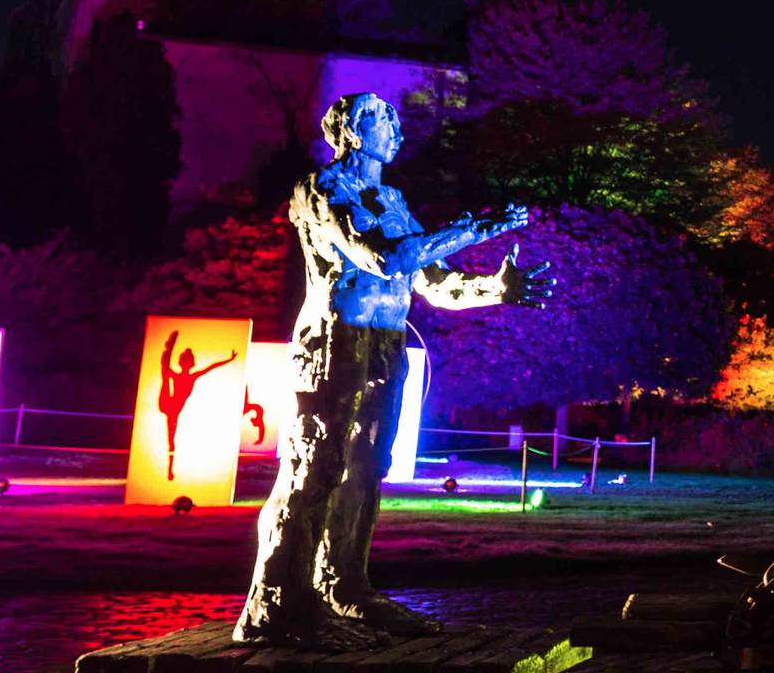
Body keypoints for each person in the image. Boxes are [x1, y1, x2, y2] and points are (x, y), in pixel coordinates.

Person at [234, 93, 554, 651]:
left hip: (386, 344)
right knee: (316, 467)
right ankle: (276, 605)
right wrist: (474, 228)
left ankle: (343, 587)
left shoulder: (392, 198)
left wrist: (492, 288)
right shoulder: (323, 190)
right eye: (380, 119)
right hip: (336, 340)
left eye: (392, 119)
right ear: (351, 132)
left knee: (367, 467)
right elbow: (381, 257)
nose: (395, 128)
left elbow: (432, 281)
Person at [156, 332, 236, 480]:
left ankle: (170, 469)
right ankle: (169, 348)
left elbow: (212, 367)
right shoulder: (181, 376)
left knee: (166, 373)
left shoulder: (189, 376)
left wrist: (229, 359)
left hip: (171, 407)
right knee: (165, 373)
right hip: (168, 404)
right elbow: (210, 367)